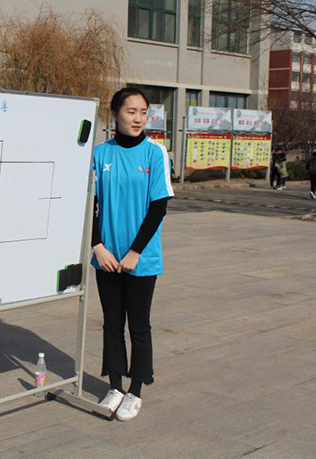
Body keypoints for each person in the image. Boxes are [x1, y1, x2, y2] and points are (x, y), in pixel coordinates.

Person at [91, 87, 174, 422]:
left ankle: (135, 390)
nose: (138, 118)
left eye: (143, 112)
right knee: (112, 323)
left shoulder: (155, 153)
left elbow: (158, 207)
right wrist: (97, 246)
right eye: (131, 111)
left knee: (139, 325)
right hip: (107, 258)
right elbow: (88, 205)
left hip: (141, 258)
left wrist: (135, 251)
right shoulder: (99, 154)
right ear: (115, 115)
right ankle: (114, 386)